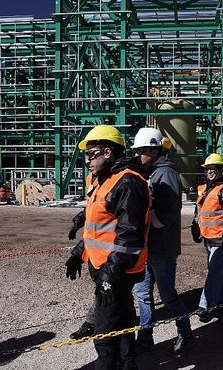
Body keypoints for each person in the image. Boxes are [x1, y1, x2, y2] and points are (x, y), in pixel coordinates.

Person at [64, 124, 150, 369]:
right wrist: (78, 252)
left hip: (117, 269)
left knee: (104, 330)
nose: (88, 160)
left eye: (91, 154)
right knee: (121, 322)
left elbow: (129, 236)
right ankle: (127, 364)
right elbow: (99, 227)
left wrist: (112, 273)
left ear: (108, 153)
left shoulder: (128, 183)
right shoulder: (105, 180)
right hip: (106, 266)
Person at [130, 127, 195, 355]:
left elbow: (168, 211)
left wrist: (144, 223)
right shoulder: (152, 172)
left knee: (167, 296)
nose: (138, 156)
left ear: (154, 151)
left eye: (141, 152)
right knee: (143, 293)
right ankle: (145, 336)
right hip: (148, 246)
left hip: (162, 248)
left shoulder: (165, 173)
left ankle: (186, 334)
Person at [191, 153, 223, 323]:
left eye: (214, 169)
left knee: (214, 271)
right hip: (208, 236)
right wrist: (196, 226)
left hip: (220, 237)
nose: (210, 172)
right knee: (216, 269)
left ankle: (206, 305)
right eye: (208, 169)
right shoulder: (204, 188)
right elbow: (200, 211)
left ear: (221, 170)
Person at [67, 171, 98, 340]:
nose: (89, 158)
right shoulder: (92, 176)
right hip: (95, 251)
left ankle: (91, 323)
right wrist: (80, 220)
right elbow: (93, 206)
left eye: (93, 153)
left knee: (105, 291)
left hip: (112, 256)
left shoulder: (119, 180)